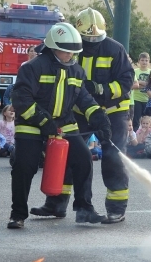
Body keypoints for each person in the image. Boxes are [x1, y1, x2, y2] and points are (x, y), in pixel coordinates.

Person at [30, 8, 134, 225]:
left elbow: (125, 83)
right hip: (78, 110)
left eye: (96, 38)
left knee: (113, 158)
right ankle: (56, 203)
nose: (91, 42)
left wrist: (99, 89)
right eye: (87, 38)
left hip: (112, 111)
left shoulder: (115, 49)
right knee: (65, 155)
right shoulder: (72, 47)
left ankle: (116, 208)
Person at [8, 22, 112, 229]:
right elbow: (22, 100)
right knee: (24, 167)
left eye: (74, 53)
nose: (71, 57)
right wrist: (44, 122)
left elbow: (85, 100)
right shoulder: (32, 68)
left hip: (65, 124)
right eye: (67, 52)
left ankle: (85, 210)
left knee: (83, 160)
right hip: (31, 125)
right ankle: (17, 214)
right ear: (53, 48)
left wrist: (100, 119)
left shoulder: (76, 71)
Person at [131, 52, 151, 130]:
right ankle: (137, 137)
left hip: (148, 100)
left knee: (148, 121)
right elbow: (134, 85)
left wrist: (139, 82)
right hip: (137, 99)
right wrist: (142, 83)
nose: (144, 62)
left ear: (149, 61)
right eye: (142, 60)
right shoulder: (135, 71)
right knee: (136, 120)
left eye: (146, 60)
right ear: (139, 61)